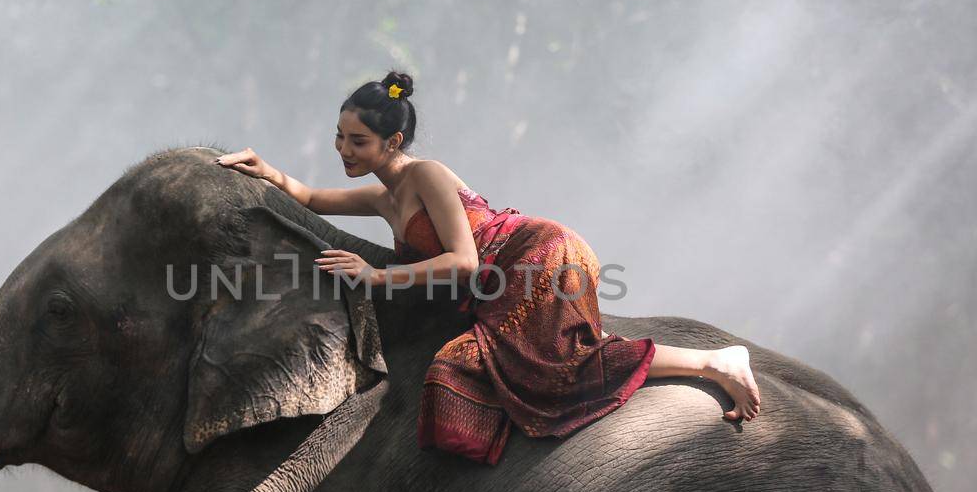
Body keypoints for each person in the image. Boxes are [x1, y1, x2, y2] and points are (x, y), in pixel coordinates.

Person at [214, 70, 761, 466]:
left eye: (357, 141)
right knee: (454, 370)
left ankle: (714, 362)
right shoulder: (384, 197)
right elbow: (309, 196)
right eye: (339, 136)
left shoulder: (426, 175)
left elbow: (462, 260)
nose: (343, 149)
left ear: (393, 142)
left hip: (538, 258)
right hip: (500, 283)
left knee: (557, 364)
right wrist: (266, 171)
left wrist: (376, 277)